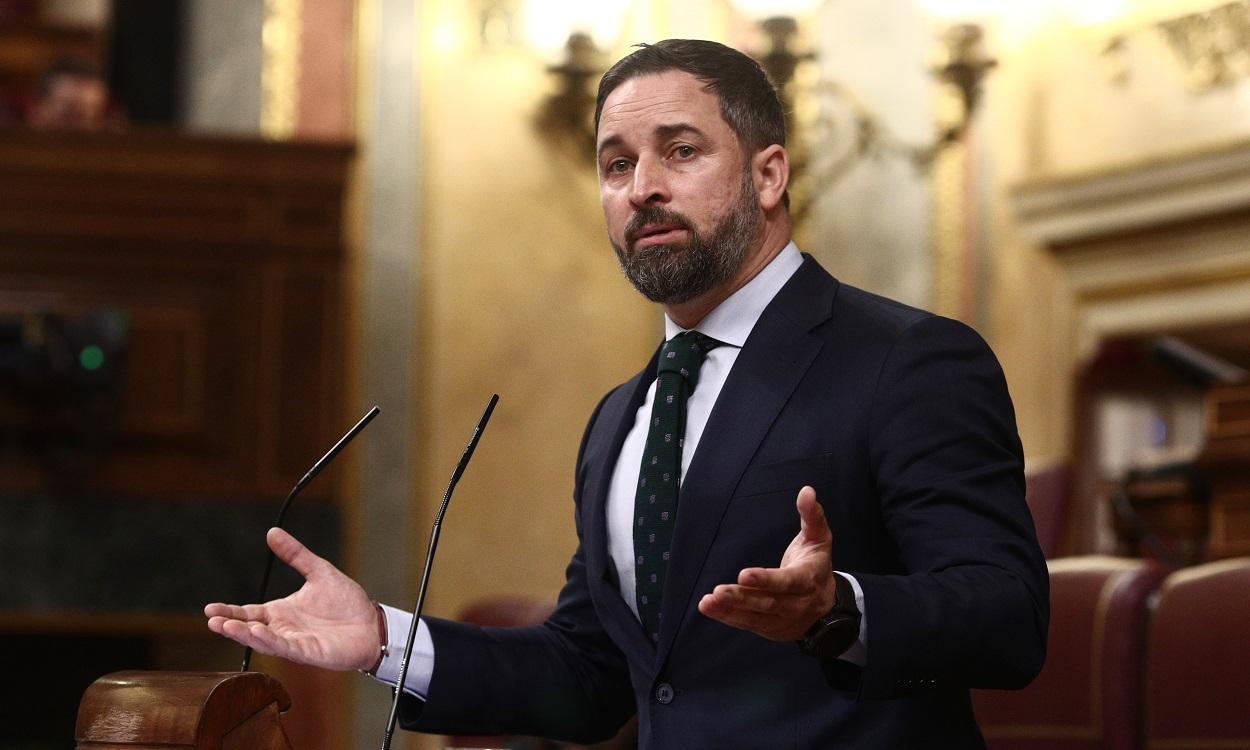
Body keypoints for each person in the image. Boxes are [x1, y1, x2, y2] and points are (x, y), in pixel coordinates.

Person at [206, 39, 1048, 748]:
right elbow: (590, 675)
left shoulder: (908, 359)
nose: (641, 185)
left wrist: (839, 609)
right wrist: (389, 642)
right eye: (616, 164)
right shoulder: (624, 417)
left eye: (681, 151)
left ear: (768, 174)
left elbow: (1009, 619)